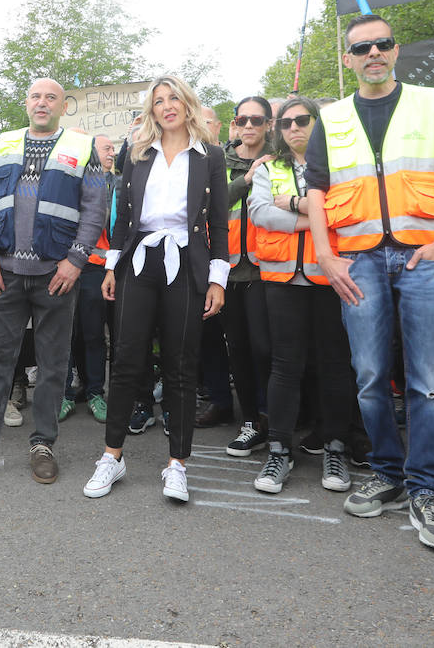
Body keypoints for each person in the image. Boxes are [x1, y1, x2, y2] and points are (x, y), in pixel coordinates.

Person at [306, 14, 434, 553]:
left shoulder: (431, 102)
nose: (372, 53)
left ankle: (427, 486)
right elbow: (315, 192)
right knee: (370, 375)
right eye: (361, 48)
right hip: (356, 260)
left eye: (381, 45)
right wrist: (326, 255)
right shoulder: (330, 118)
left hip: (422, 254)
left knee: (428, 378)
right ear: (348, 59)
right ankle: (387, 472)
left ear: (395, 51)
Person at [0, 78, 105, 486]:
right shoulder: (4, 143)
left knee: (52, 364)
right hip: (5, 274)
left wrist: (75, 263)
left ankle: (43, 443)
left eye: (51, 97)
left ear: (64, 106)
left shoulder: (83, 149)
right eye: (36, 96)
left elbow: (95, 209)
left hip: (56, 276)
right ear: (25, 103)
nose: (42, 103)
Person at [82, 75, 227, 503]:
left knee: (181, 364)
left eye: (174, 98)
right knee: (127, 358)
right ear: (152, 110)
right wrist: (112, 267)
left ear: (187, 104)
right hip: (138, 261)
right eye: (159, 100)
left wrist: (217, 278)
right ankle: (112, 456)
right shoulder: (137, 156)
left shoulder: (211, 156)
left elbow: (217, 222)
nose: (167, 106)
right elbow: (122, 217)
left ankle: (177, 464)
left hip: (187, 262)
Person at [248, 96, 355, 494]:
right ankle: (279, 450)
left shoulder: (340, 165)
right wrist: (315, 217)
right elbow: (260, 213)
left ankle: (335, 449)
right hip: (280, 281)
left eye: (302, 120)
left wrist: (293, 205)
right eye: (286, 122)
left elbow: (348, 212)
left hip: (330, 279)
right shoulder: (270, 168)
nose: (293, 127)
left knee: (334, 365)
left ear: (318, 123)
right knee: (284, 366)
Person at [219, 97, 275, 457]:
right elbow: (207, 204)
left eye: (257, 119)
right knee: (237, 348)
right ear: (235, 124)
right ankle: (251, 421)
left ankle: (275, 417)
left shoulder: (281, 158)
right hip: (228, 271)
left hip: (268, 268)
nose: (249, 125)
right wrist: (248, 179)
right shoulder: (218, 161)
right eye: (243, 119)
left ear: (269, 123)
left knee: (266, 348)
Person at [61, 133, 117, 424]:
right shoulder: (68, 180)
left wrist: (111, 268)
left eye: (113, 149)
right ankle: (66, 394)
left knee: (94, 334)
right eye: (106, 148)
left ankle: (96, 393)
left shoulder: (115, 184)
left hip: (97, 266)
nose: (112, 153)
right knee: (66, 335)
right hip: (65, 267)